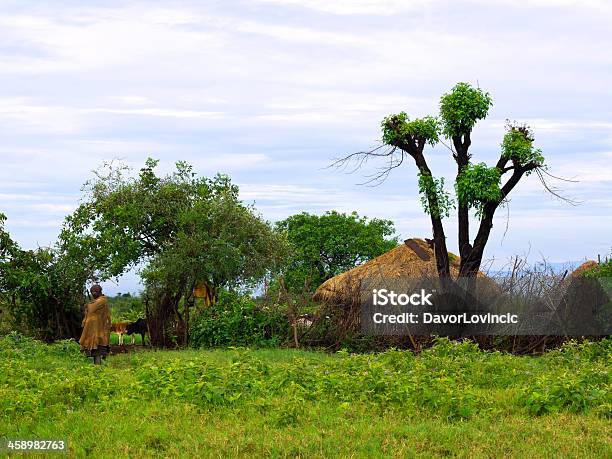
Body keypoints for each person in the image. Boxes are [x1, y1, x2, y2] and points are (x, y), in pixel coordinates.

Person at [79, 284, 111, 364]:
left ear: (99, 292)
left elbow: (91, 308)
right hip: (94, 329)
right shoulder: (97, 301)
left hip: (99, 330)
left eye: (94, 292)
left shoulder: (101, 300)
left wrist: (88, 305)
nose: (92, 294)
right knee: (95, 350)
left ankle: (98, 369)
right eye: (91, 292)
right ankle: (96, 368)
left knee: (98, 350)